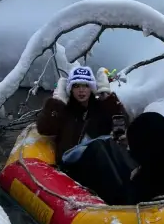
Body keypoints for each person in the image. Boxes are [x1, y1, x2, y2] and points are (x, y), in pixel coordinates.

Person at [36, 65, 134, 204]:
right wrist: (57, 101)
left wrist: (107, 96)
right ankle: (121, 199)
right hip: (73, 163)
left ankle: (137, 184)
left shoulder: (100, 108)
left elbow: (122, 123)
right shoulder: (65, 111)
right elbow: (44, 128)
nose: (81, 90)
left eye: (85, 86)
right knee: (98, 145)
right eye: (76, 86)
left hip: (99, 161)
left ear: (91, 88)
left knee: (112, 145)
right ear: (71, 89)